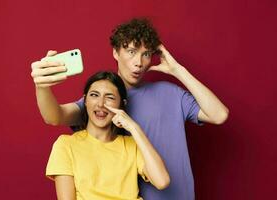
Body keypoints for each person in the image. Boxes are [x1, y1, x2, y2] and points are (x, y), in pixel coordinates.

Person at [32, 18, 229, 199]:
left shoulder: (171, 93)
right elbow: (54, 116)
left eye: (146, 54)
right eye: (132, 51)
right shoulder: (104, 101)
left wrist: (178, 71)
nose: (139, 63)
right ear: (116, 52)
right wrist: (42, 85)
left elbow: (219, 115)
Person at [46, 71, 170, 200]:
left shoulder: (131, 144)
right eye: (94, 95)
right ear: (85, 101)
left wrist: (134, 128)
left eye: (110, 97)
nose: (100, 104)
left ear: (122, 104)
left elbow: (162, 181)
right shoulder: (66, 144)